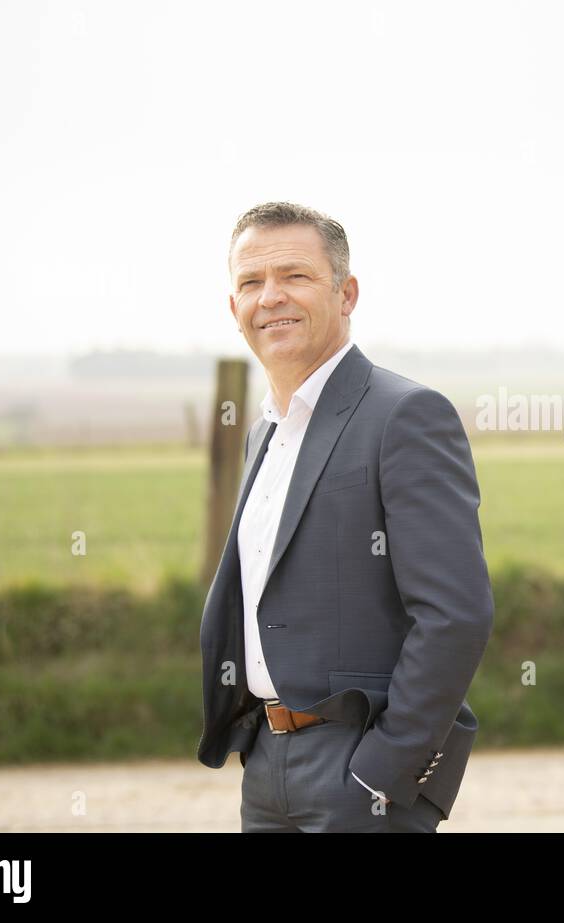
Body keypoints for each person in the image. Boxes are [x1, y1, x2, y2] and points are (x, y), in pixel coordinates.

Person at [196, 201, 494, 832]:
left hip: (358, 771)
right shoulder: (263, 436)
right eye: (251, 283)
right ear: (233, 309)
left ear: (346, 293)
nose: (270, 297)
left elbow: (455, 613)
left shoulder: (407, 416)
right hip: (266, 766)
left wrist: (383, 772)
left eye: (295, 276)